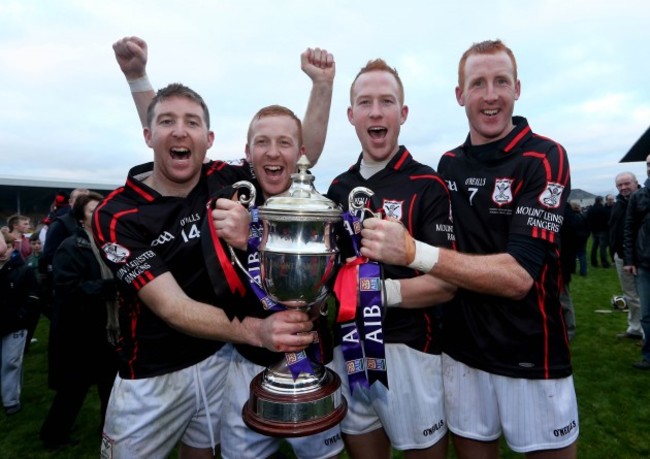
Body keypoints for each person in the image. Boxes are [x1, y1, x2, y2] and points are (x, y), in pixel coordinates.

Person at [91, 37, 334, 459]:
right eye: (165, 123)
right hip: (152, 373)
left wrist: (322, 86)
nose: (179, 131)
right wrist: (258, 330)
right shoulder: (116, 213)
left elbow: (300, 158)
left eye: (192, 124)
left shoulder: (220, 180)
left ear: (209, 139)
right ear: (148, 136)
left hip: (219, 359)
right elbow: (172, 307)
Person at [359, 40, 578, 458]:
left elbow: (517, 278)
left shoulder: (545, 157)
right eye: (478, 83)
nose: (490, 94)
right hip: (461, 356)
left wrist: (412, 253)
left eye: (501, 81)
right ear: (460, 95)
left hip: (532, 357)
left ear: (518, 89)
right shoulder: (449, 164)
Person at [325, 59, 456, 459]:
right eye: (365, 102)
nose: (376, 111)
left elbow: (446, 283)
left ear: (403, 113)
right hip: (347, 349)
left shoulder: (427, 183)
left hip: (408, 351)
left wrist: (376, 295)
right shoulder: (338, 187)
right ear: (351, 115)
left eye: (387, 101)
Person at [39, 192, 119, 449]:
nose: (100, 214)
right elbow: (66, 289)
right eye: (94, 210)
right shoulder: (71, 246)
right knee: (73, 389)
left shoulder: (110, 247)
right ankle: (53, 436)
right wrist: (107, 287)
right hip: (80, 332)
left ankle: (107, 431)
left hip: (107, 331)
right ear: (81, 218)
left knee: (110, 386)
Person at [0, 231, 40, 415]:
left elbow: (32, 294)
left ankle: (10, 400)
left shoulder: (23, 269)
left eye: (8, 246)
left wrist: (23, 315)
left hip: (16, 323)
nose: (4, 251)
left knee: (11, 361)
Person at [623, 155, 650, 369]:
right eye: (649, 164)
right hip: (645, 263)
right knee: (647, 313)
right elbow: (629, 229)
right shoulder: (639, 196)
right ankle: (649, 355)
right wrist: (630, 259)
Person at [609, 172, 643, 340]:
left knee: (641, 295)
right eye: (619, 185)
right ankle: (636, 328)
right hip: (621, 256)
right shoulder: (619, 203)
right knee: (630, 294)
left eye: (627, 183)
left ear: (636, 183)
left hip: (640, 257)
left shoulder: (643, 201)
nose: (623, 187)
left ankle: (645, 332)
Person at [587, 195, 611, 268]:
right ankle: (604, 263)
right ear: (601, 201)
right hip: (602, 230)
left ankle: (594, 262)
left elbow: (588, 219)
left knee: (594, 247)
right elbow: (607, 219)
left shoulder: (590, 209)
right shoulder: (603, 209)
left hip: (594, 230)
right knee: (602, 248)